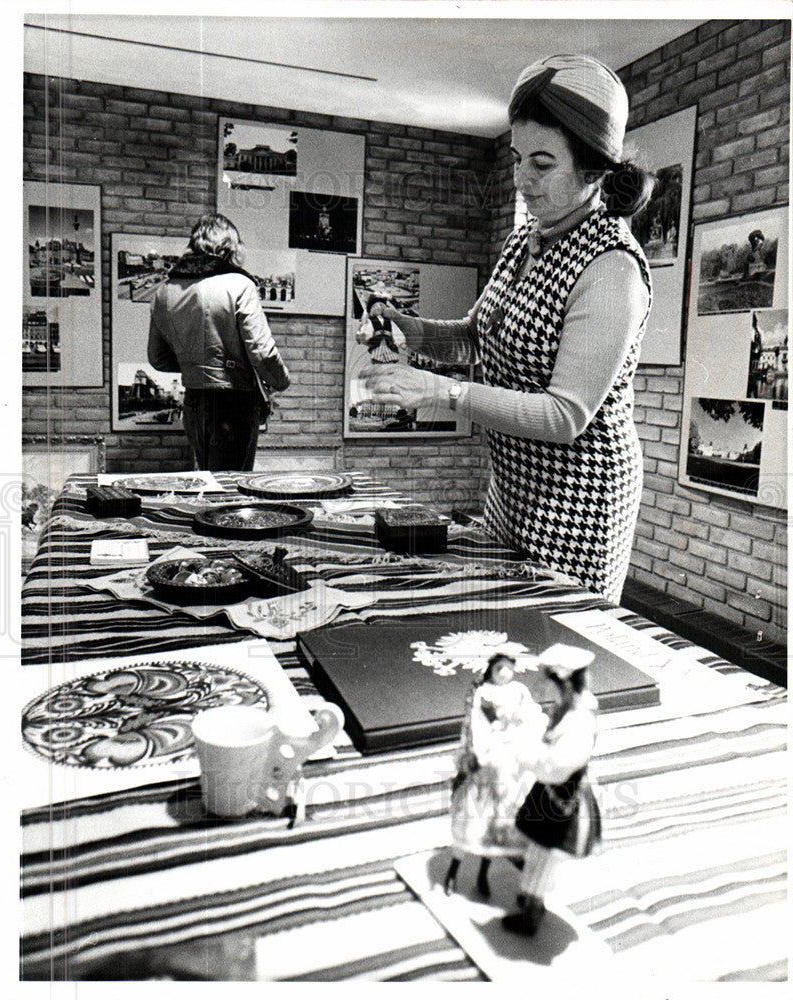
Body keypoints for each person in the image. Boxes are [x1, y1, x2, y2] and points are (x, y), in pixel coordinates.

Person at [364, 54, 655, 603]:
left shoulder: (611, 267)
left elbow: (565, 415)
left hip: (579, 504)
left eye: (541, 164)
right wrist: (410, 329)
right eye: (519, 159)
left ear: (594, 167)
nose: (521, 179)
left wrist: (439, 391)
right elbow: (477, 335)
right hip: (514, 488)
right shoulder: (527, 240)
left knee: (550, 644)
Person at [148, 213, 290, 471]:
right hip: (233, 405)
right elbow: (262, 353)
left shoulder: (163, 291)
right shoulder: (239, 284)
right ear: (229, 247)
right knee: (232, 492)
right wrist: (281, 382)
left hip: (193, 403)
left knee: (209, 482)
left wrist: (196, 365)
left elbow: (158, 358)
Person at [503, 651, 601, 936]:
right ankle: (530, 895)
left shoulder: (580, 722)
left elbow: (558, 766)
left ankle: (532, 909)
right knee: (536, 847)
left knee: (545, 852)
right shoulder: (568, 709)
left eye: (550, 683)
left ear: (566, 685)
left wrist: (527, 755)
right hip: (549, 793)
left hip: (562, 799)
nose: (546, 690)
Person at [444, 653, 546, 896]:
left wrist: (523, 726)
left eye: (509, 668)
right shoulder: (484, 693)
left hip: (511, 760)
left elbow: (533, 716)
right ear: (491, 670)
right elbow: (478, 726)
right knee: (474, 817)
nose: (504, 673)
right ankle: (453, 870)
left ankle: (483, 874)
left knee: (494, 825)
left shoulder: (519, 691)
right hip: (490, 758)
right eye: (500, 668)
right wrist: (487, 749)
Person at [356, 293, 405, 364]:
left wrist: (401, 342)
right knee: (377, 358)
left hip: (388, 343)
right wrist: (363, 336)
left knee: (391, 358)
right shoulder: (371, 321)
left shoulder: (389, 321)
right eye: (375, 306)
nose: (379, 308)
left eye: (381, 305)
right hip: (377, 343)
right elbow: (368, 330)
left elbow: (395, 331)